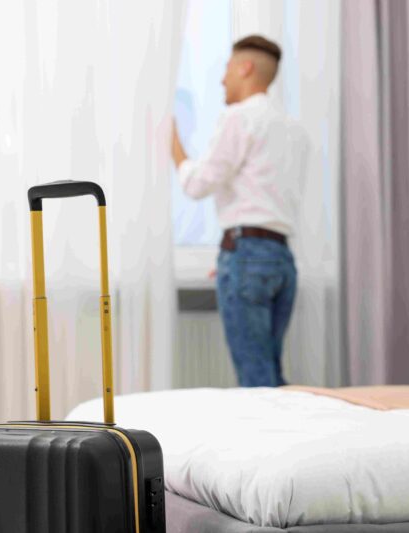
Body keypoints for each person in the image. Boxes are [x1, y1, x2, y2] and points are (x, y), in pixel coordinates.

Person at [171, 35, 309, 387]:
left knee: (255, 378)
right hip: (281, 259)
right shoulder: (294, 131)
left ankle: (272, 443)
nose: (221, 78)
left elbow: (198, 184)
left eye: (227, 68)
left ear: (245, 68)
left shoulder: (239, 117)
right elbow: (266, 198)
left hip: (247, 255)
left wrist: (175, 148)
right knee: (271, 374)